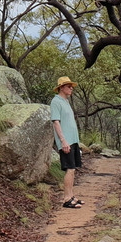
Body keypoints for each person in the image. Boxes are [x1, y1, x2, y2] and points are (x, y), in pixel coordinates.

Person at [50, 76, 83, 208]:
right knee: (69, 169)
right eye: (69, 86)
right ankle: (66, 199)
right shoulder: (56, 102)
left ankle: (71, 195)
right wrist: (63, 141)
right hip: (66, 141)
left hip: (73, 141)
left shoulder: (65, 101)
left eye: (71, 87)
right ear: (61, 87)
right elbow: (56, 122)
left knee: (73, 169)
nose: (71, 89)